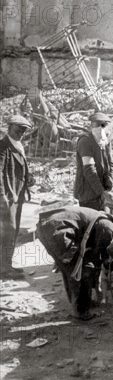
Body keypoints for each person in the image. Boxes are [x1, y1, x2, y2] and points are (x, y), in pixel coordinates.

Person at [36, 205, 113, 320]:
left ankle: (78, 302)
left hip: (47, 228)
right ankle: (81, 311)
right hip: (58, 231)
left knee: (69, 268)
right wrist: (99, 271)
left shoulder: (100, 217)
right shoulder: (109, 227)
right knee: (84, 270)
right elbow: (97, 254)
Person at [0, 115, 33, 280]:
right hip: (7, 197)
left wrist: (29, 178)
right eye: (18, 129)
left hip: (17, 195)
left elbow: (21, 166)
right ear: (10, 127)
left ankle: (7, 265)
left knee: (12, 231)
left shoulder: (18, 145)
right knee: (7, 232)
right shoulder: (3, 146)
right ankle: (4, 269)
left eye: (24, 130)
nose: (21, 132)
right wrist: (2, 199)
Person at [74, 112, 113, 211]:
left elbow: (111, 163)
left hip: (103, 190)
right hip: (88, 193)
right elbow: (89, 170)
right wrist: (101, 192)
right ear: (91, 125)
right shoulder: (85, 141)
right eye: (97, 124)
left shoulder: (106, 141)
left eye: (103, 125)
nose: (101, 128)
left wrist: (110, 181)